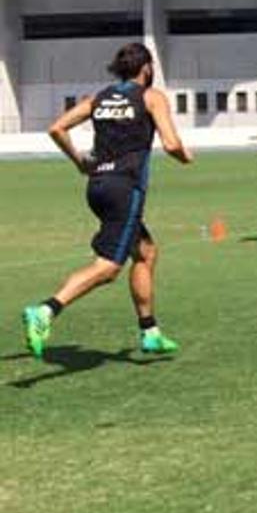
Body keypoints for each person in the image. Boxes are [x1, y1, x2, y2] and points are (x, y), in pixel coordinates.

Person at [20, 42, 194, 361]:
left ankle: (150, 331)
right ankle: (46, 310)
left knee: (145, 252)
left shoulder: (98, 99)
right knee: (109, 267)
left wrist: (79, 162)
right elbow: (171, 144)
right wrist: (185, 156)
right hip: (125, 189)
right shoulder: (151, 97)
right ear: (147, 68)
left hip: (98, 186)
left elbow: (56, 128)